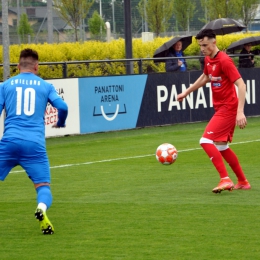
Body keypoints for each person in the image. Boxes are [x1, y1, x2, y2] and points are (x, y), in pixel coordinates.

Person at [0, 48, 68, 234]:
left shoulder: (5, 85)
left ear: (17, 66)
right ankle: (41, 209)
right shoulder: (45, 86)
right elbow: (62, 106)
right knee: (43, 186)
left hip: (9, 141)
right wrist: (60, 123)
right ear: (37, 67)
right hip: (34, 145)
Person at [177, 29, 251, 193]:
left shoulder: (224, 61)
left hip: (228, 108)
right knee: (221, 146)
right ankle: (243, 181)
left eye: (205, 45)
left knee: (205, 141)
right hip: (222, 108)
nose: (202, 48)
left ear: (214, 42)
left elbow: (241, 85)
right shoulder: (209, 59)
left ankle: (225, 179)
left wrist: (240, 112)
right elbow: (205, 77)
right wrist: (186, 92)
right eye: (200, 46)